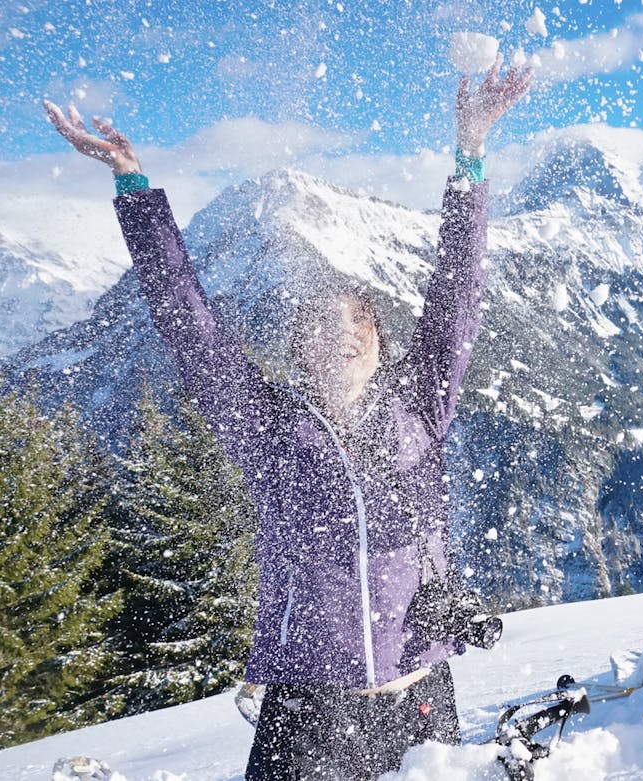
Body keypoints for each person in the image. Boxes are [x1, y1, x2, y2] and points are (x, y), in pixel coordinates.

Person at [45, 57, 531, 780]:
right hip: (310, 711)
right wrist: (132, 183)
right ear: (298, 352)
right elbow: (189, 323)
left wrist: (470, 155)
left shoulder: (420, 406)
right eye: (319, 324)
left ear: (381, 338)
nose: (341, 333)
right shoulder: (267, 427)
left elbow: (458, 288)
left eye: (357, 320)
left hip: (422, 698)